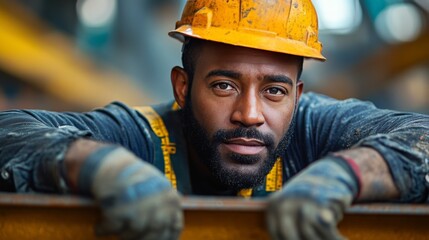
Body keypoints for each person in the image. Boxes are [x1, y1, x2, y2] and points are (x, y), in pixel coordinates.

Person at [0, 0, 428, 239]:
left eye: (274, 91)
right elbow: (11, 132)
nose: (249, 114)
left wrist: (346, 175)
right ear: (182, 88)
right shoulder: (138, 137)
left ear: (297, 97)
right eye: (224, 85)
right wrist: (101, 167)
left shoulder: (318, 130)